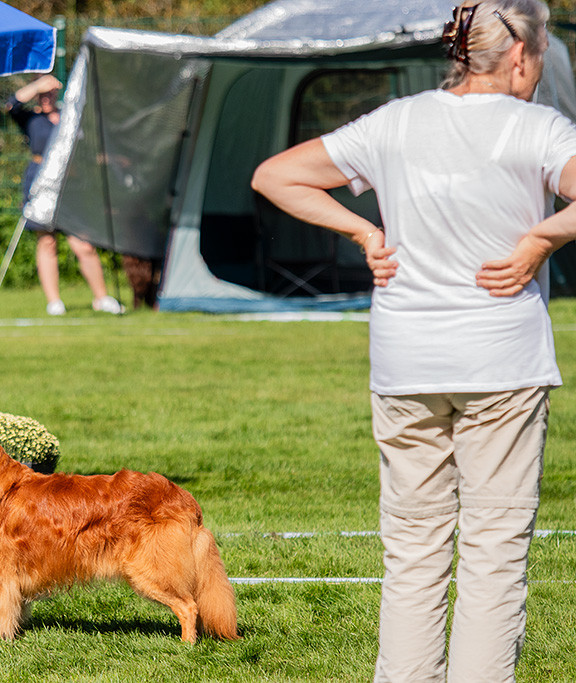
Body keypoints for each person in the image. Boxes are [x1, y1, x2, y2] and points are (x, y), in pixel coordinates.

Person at [252, 2, 576, 680]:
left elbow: (274, 174)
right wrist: (542, 238)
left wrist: (363, 232)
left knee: (412, 551)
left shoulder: (394, 121)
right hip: (501, 363)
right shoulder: (540, 128)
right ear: (520, 55)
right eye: (544, 52)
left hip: (405, 365)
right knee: (493, 552)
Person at [6, 74, 124, 316]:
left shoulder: (69, 116)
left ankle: (101, 298)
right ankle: (54, 302)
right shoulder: (31, 118)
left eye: (50, 92)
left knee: (83, 243)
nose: (46, 97)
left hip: (70, 185)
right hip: (40, 184)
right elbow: (11, 105)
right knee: (47, 241)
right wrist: (39, 84)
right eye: (42, 94)